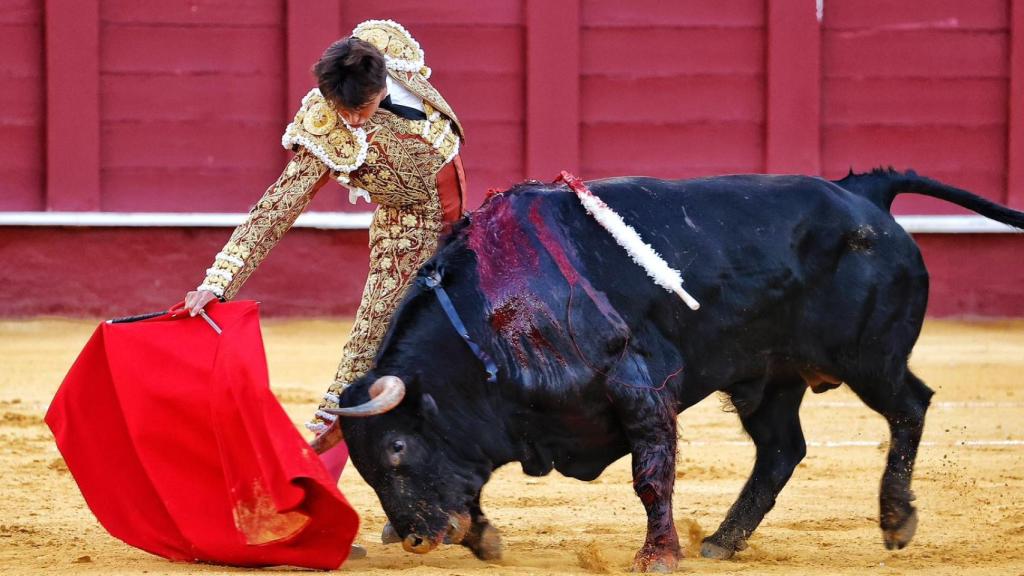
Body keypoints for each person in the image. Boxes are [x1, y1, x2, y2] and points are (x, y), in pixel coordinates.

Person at [184, 19, 467, 466]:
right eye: (343, 111)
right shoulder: (326, 128)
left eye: (363, 109)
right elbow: (277, 207)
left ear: (383, 83)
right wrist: (219, 281)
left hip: (461, 235)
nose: (352, 121)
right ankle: (306, 495)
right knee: (363, 361)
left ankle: (436, 490)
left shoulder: (393, 55)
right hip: (404, 241)